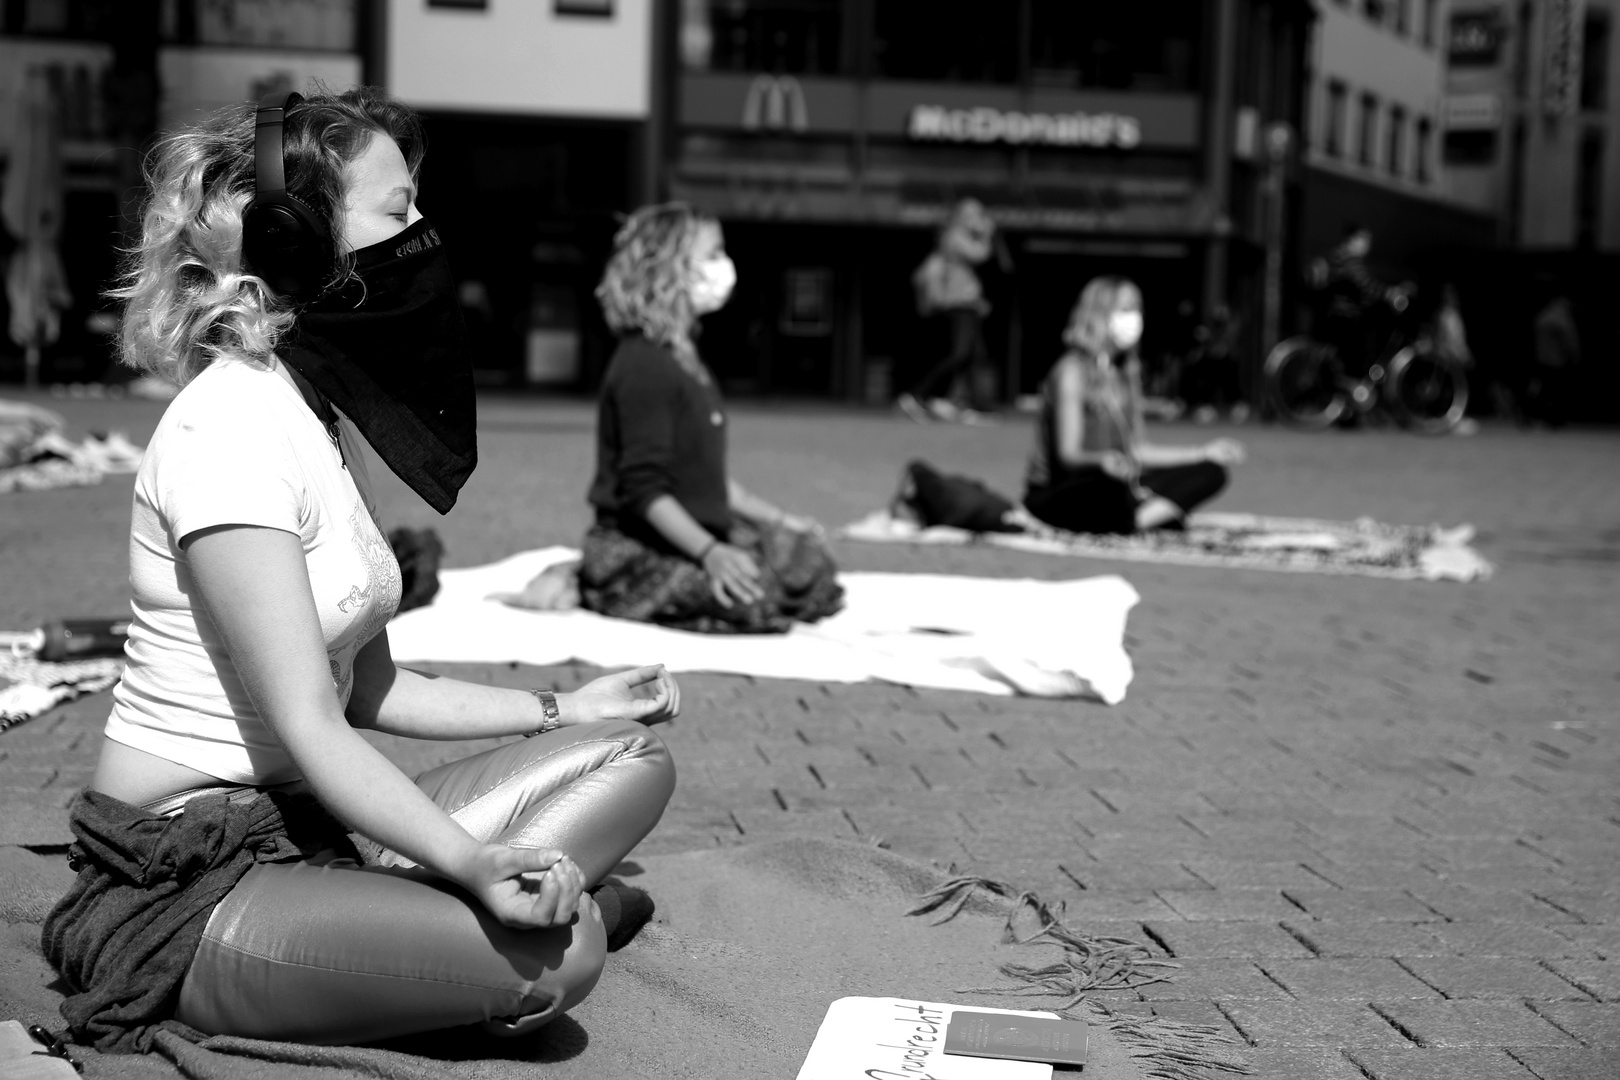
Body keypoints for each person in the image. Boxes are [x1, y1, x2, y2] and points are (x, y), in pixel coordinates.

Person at [42, 88, 678, 1052]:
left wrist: (565, 707)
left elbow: (370, 690)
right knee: (564, 951)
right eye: (397, 208)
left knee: (631, 753)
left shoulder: (314, 411)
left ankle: (439, 907)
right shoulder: (229, 431)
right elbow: (308, 722)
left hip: (311, 823)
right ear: (297, 244)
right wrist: (469, 861)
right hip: (189, 872)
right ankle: (489, 910)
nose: (422, 231)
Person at [572, 202, 843, 633]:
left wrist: (781, 520)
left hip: (698, 536)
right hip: (639, 545)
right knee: (758, 601)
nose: (724, 266)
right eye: (712, 254)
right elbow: (644, 491)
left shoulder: (686, 359)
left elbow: (711, 480)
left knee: (812, 569)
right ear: (668, 269)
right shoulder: (645, 364)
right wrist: (711, 553)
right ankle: (592, 583)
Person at [1023, 277, 1245, 534]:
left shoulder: (1125, 373)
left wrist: (1203, 453)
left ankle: (1134, 520)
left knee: (1210, 473)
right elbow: (1068, 454)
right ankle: (1136, 518)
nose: (1135, 317)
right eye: (1126, 309)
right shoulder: (1071, 370)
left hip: (1118, 482)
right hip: (1066, 488)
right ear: (1099, 313)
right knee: (1108, 488)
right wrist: (1102, 460)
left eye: (1138, 309)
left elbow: (1138, 450)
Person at [896, 198, 998, 423]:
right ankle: (916, 395)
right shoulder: (954, 236)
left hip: (967, 304)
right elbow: (979, 254)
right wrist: (987, 234)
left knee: (974, 356)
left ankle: (966, 404)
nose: (979, 219)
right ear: (962, 216)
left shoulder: (958, 235)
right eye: (974, 215)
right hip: (957, 305)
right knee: (959, 354)